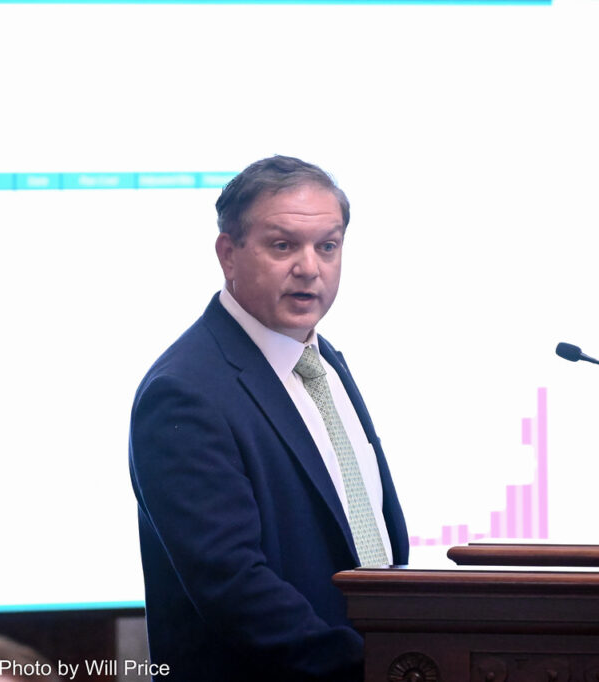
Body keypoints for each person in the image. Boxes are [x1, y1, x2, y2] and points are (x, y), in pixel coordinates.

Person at [128, 155, 409, 681]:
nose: (311, 268)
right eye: (283, 246)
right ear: (228, 254)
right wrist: (371, 667)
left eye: (328, 245)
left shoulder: (324, 363)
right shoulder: (185, 391)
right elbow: (232, 586)